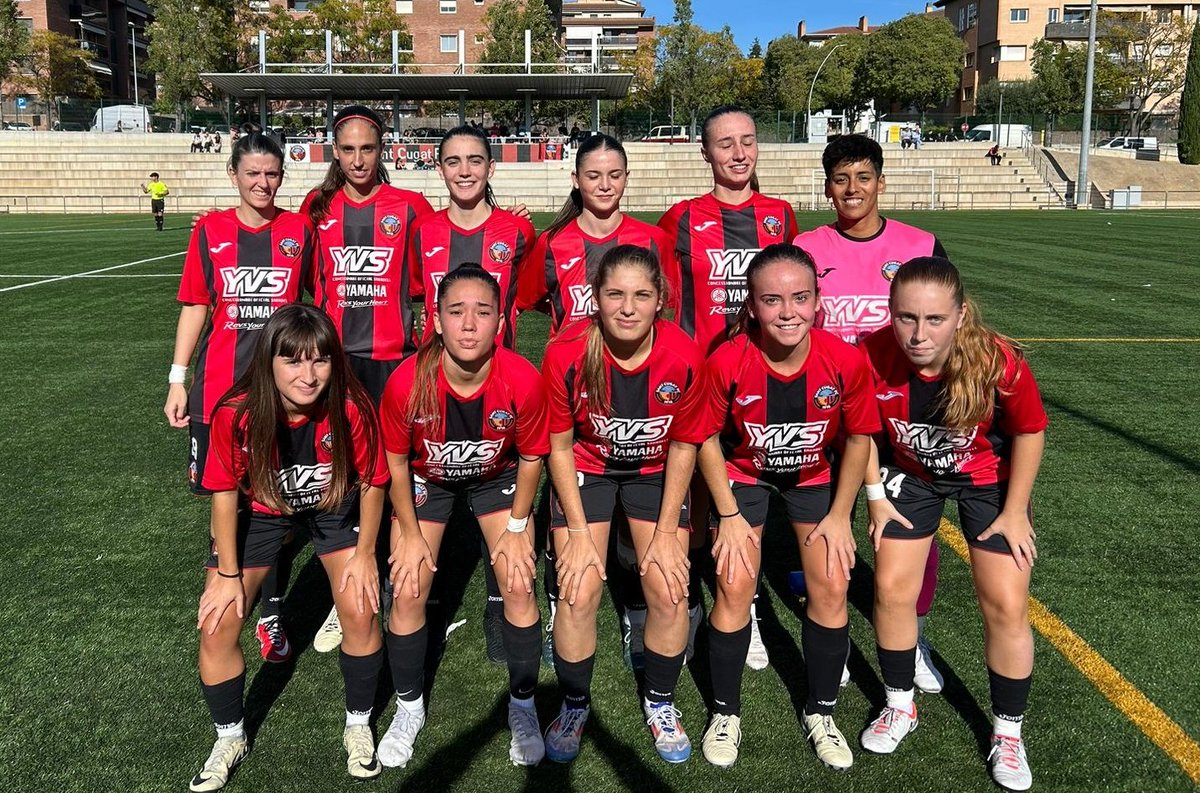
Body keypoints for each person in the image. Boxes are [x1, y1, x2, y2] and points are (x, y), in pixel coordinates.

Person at [662, 243, 880, 771]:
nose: (788, 312)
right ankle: (725, 711)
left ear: (818, 300)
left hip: (813, 475)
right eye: (772, 300)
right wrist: (729, 515)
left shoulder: (845, 360)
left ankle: (821, 710)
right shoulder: (728, 360)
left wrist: (840, 515)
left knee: (830, 581)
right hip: (743, 473)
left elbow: (857, 439)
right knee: (735, 582)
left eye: (800, 298)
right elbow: (705, 437)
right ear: (752, 307)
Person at [858, 257, 1046, 793]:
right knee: (892, 589)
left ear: (961, 315)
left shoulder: (997, 360)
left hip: (988, 482)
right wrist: (875, 497)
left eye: (935, 319)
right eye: (906, 317)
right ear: (889, 314)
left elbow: (1030, 431)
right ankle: (899, 706)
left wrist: (1014, 510)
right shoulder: (869, 355)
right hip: (910, 478)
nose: (918, 334)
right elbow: (863, 433)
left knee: (1005, 602)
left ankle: (1008, 732)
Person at [188, 304, 390, 791]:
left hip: (331, 507)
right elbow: (223, 494)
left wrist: (364, 557)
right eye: (293, 361)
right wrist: (229, 575)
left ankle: (359, 724)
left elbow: (374, 482)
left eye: (319, 360)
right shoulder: (237, 413)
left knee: (361, 608)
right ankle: (229, 736)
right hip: (259, 515)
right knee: (217, 625)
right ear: (268, 362)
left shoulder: (350, 406)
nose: (308, 374)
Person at [795, 132, 950, 693]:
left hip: (900, 410)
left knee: (909, 527)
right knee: (823, 521)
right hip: (826, 413)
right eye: (841, 179)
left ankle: (915, 634)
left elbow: (945, 323)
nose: (852, 189)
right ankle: (828, 625)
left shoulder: (921, 244)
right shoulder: (809, 246)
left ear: (881, 183)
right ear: (828, 188)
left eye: (863, 177)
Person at [517, 132, 678, 670]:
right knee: (574, 557)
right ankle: (561, 603)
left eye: (614, 174)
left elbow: (668, 313)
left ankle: (638, 610)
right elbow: (530, 300)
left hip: (645, 406)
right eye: (593, 175)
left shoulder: (652, 239)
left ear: (626, 178)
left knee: (645, 550)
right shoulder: (555, 242)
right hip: (580, 405)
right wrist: (574, 341)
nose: (604, 184)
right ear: (576, 180)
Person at [377, 265, 549, 769]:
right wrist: (407, 532)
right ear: (435, 320)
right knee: (408, 585)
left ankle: (522, 704)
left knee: (518, 582)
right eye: (456, 312)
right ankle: (409, 707)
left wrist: (518, 528)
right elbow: (397, 461)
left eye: (483, 312)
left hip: (498, 478)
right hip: (428, 480)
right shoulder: (406, 382)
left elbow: (534, 456)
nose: (469, 325)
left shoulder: (521, 378)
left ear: (501, 321)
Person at [540, 245, 701, 764]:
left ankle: (660, 701)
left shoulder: (683, 354)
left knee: (670, 586)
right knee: (578, 587)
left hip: (657, 472)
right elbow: (559, 447)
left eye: (641, 295)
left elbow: (683, 445)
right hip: (586, 468)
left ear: (661, 300)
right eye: (615, 294)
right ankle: (574, 703)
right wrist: (581, 533)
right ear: (595, 298)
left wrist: (665, 534)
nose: (628, 307)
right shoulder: (566, 351)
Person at [166, 129, 316, 667]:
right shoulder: (210, 229)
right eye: (251, 173)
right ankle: (225, 576)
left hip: (277, 395)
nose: (262, 182)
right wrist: (177, 378)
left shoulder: (300, 229)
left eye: (271, 173)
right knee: (223, 496)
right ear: (233, 175)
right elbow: (195, 306)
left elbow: (314, 304)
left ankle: (270, 613)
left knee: (270, 501)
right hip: (218, 392)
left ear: (282, 175)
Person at [658, 104, 800, 672]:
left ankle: (747, 604)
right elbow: (665, 297)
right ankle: (700, 600)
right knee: (699, 498)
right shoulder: (682, 218)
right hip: (699, 379)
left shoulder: (779, 215)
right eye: (725, 144)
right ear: (705, 152)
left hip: (760, 376)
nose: (738, 153)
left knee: (751, 492)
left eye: (747, 141)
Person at [303, 104, 435, 652]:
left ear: (384, 151)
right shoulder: (318, 207)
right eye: (348, 149)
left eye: (369, 148)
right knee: (341, 467)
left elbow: (444, 253)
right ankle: (347, 588)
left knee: (390, 466)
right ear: (335, 152)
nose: (359, 159)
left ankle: (390, 570)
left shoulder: (409, 206)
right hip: (334, 359)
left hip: (391, 357)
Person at [409, 125, 537, 664]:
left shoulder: (517, 232)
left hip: (498, 389)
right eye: (454, 161)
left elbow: (529, 297)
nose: (465, 170)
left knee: (500, 491)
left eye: (475, 160)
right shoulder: (419, 230)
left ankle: (495, 603)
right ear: (440, 168)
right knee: (428, 485)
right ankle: (421, 601)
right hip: (434, 385)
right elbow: (417, 301)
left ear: (490, 167)